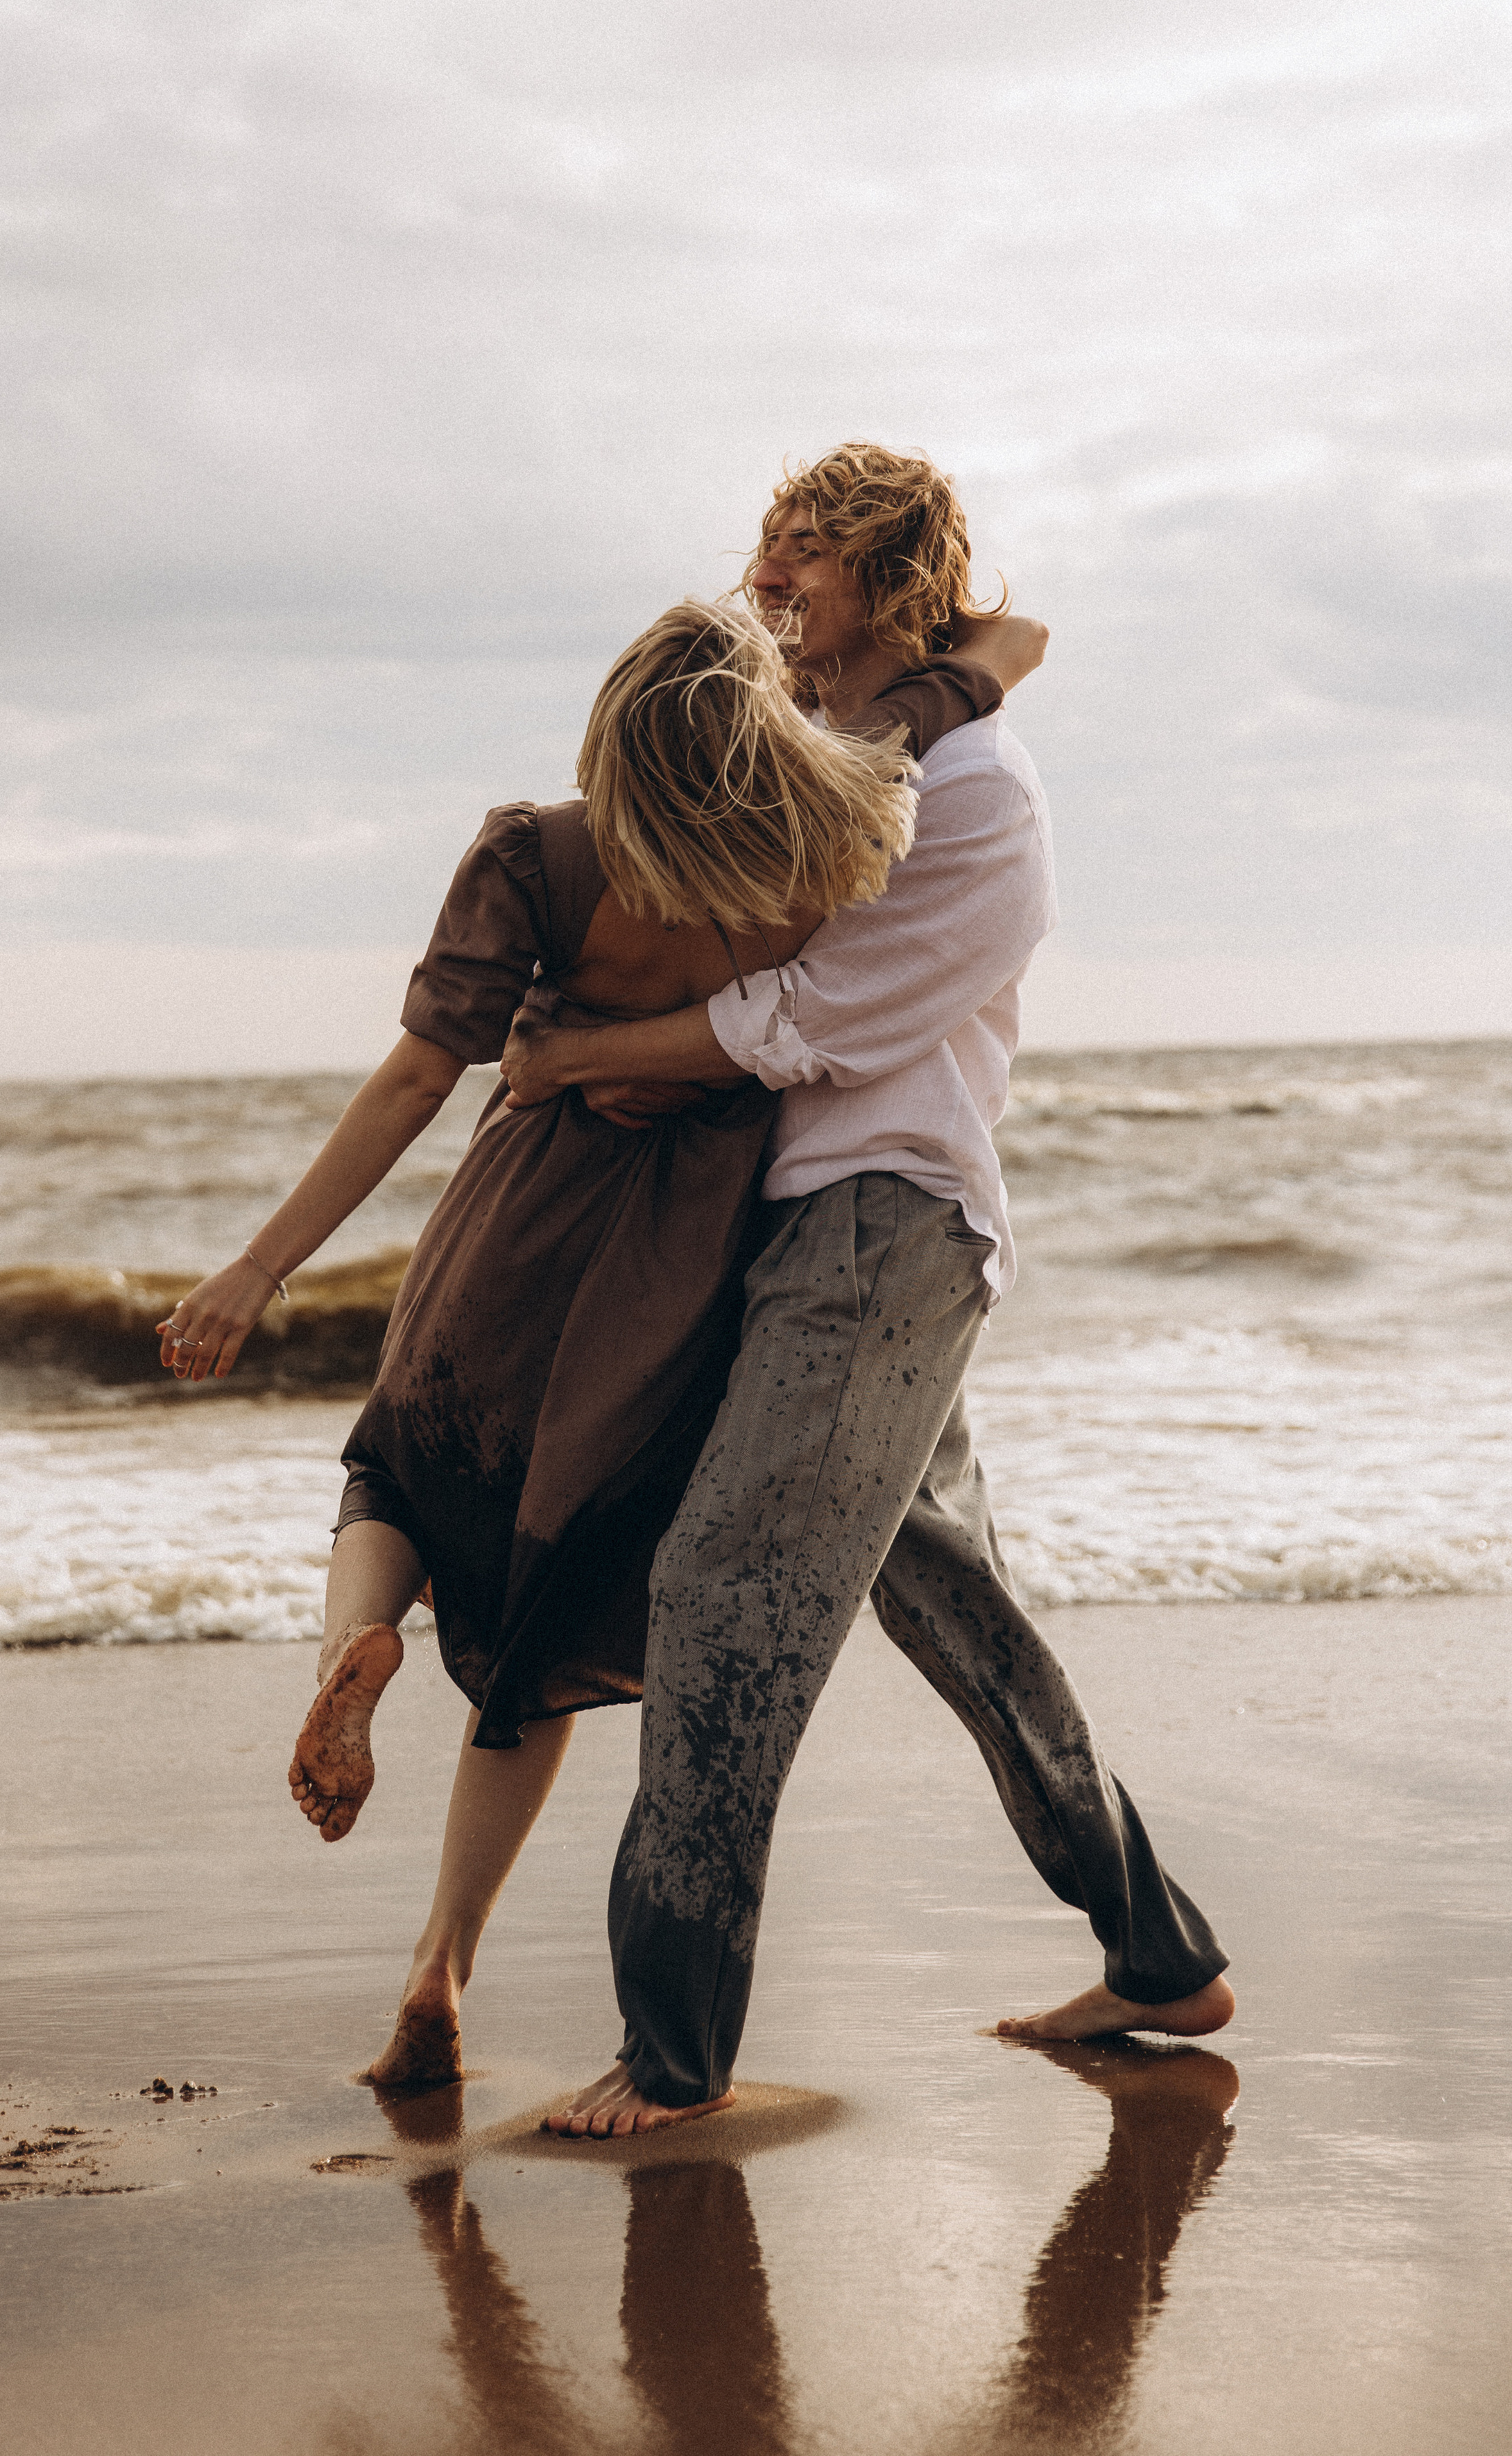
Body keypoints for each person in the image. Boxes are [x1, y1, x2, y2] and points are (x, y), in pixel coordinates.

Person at [157, 587, 1033, 2086]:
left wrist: (257, 1266)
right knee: (545, 1607)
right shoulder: (811, 848)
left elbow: (413, 1079)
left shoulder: (538, 856)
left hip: (517, 1216)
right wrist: (993, 645)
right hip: (675, 1263)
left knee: (398, 1472)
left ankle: (355, 1641)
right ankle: (440, 1967)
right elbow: (940, 703)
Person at [492, 443, 1235, 2138]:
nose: (764, 581)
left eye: (803, 558)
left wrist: (595, 1051)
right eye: (759, 548)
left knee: (722, 1597)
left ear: (893, 586)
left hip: (886, 1235)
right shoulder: (852, 750)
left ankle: (670, 2052)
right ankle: (1156, 1958)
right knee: (953, 1611)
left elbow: (805, 1021)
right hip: (812, 1232)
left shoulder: (979, 802)